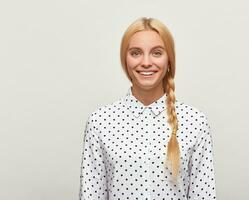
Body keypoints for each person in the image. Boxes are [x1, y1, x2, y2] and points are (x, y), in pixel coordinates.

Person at [79, 17, 217, 200]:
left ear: (169, 60)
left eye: (157, 53)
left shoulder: (195, 122)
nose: (146, 62)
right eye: (136, 53)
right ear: (125, 60)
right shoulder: (100, 122)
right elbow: (91, 195)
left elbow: (203, 196)